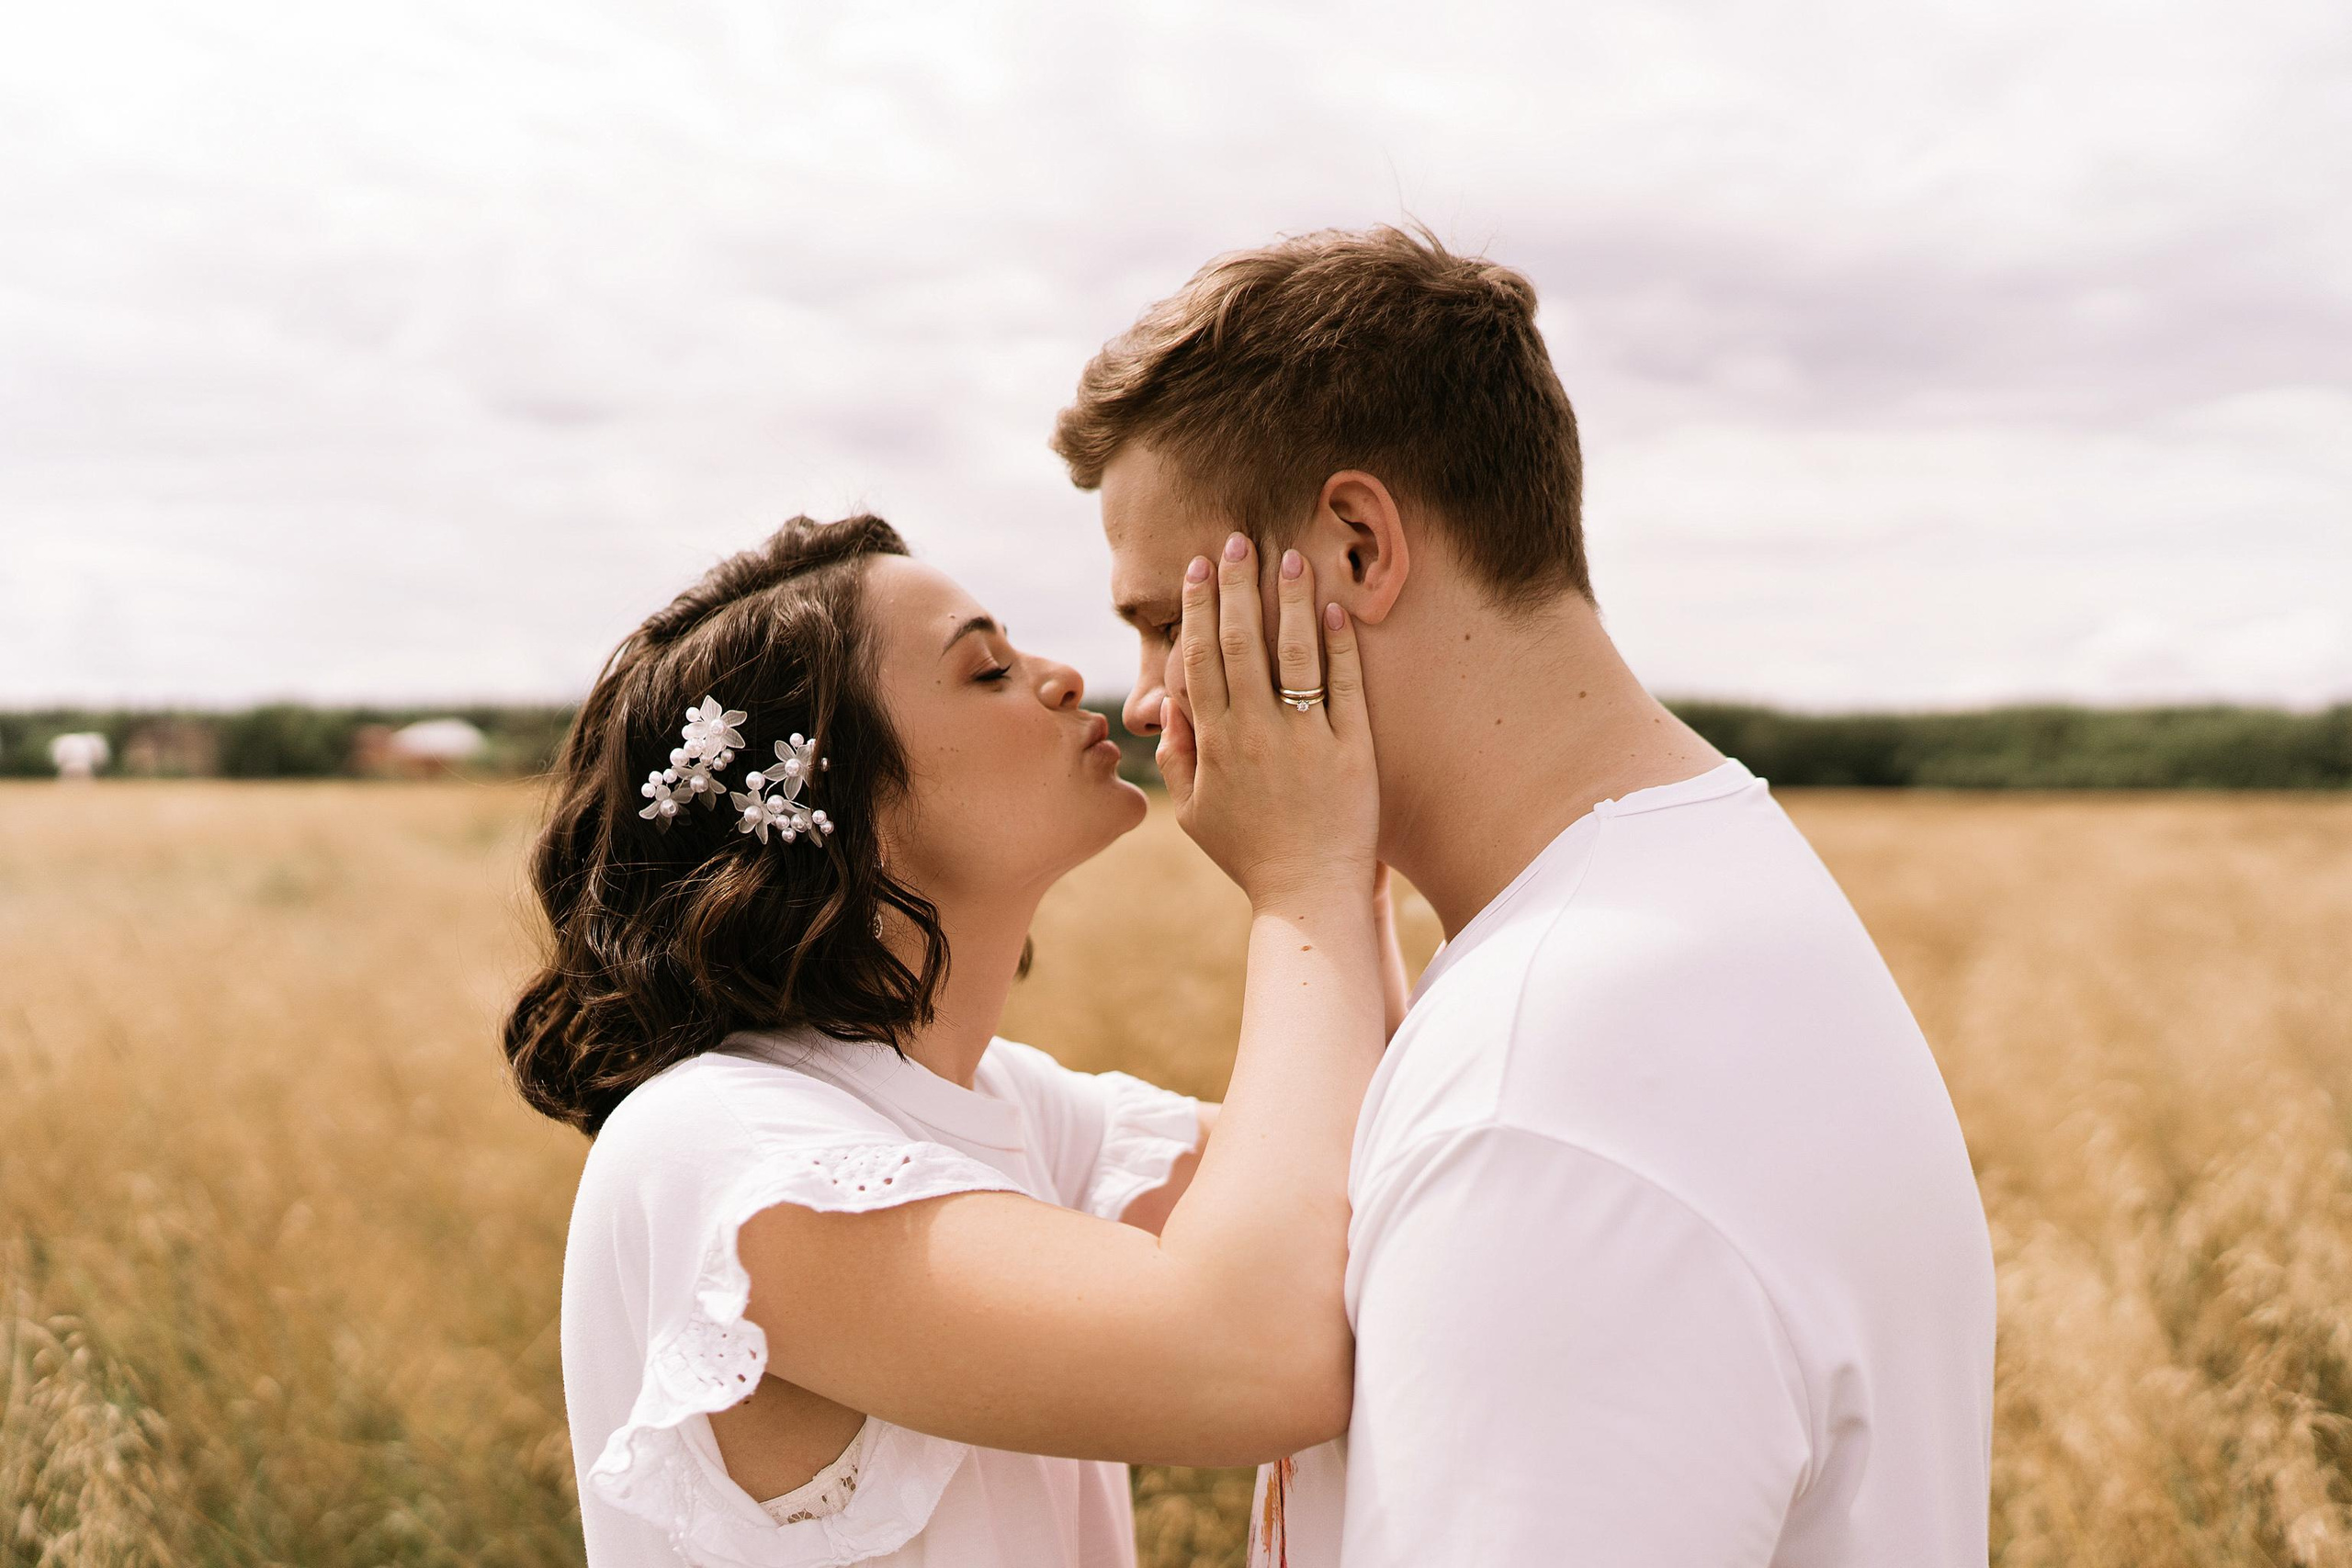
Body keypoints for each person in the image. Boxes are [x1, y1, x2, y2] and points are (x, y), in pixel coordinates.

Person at [1057, 225, 1999, 1567]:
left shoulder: (1543, 1084)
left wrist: (1302, 891)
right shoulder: (1701, 889)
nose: (1146, 698)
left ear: (1359, 546)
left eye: (1163, 619)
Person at [506, 513, 1394, 1567]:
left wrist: (1356, 858)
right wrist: (1302, 878)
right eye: (987, 670)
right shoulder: (732, 1151)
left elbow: (1376, 1183)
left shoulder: (1000, 1104)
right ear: (845, 801)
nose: (1064, 677)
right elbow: (1261, 1361)